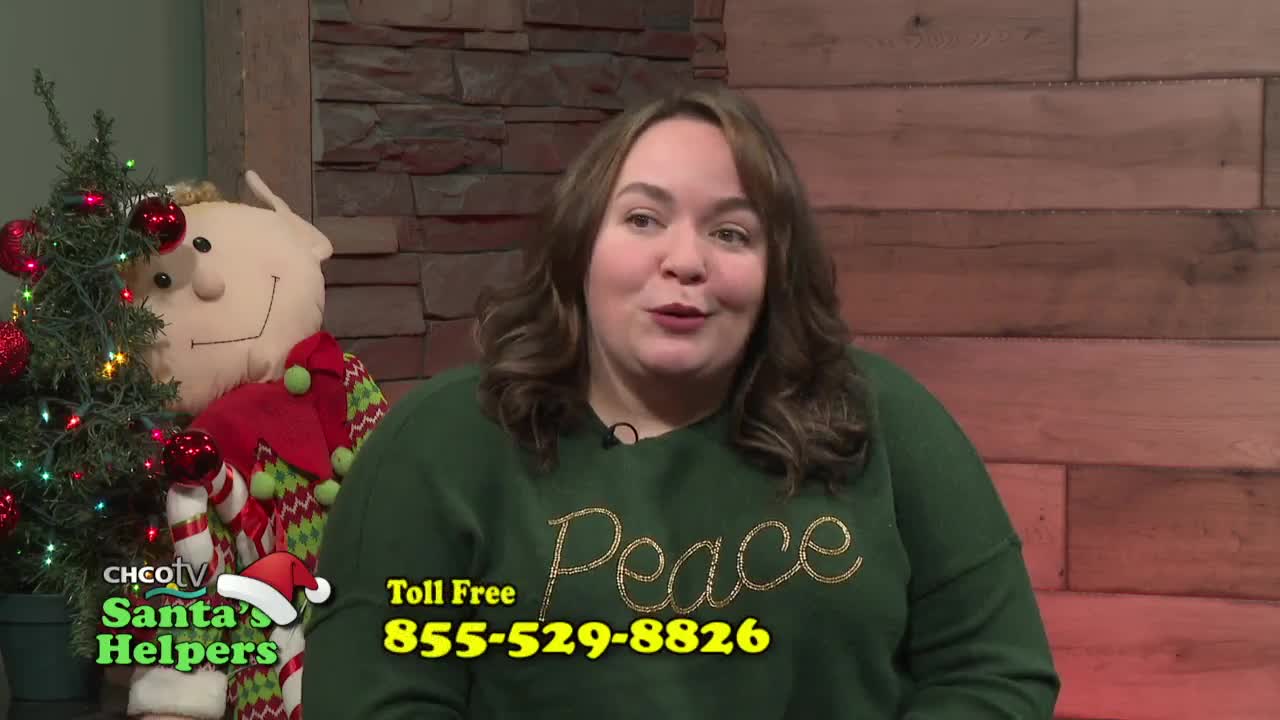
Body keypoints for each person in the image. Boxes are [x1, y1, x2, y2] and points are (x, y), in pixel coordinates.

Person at [301, 85, 1061, 719]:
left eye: (732, 233)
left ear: (775, 271)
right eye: (642, 219)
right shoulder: (438, 446)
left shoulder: (882, 415)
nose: (686, 261)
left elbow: (995, 673)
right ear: (580, 244)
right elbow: (376, 701)